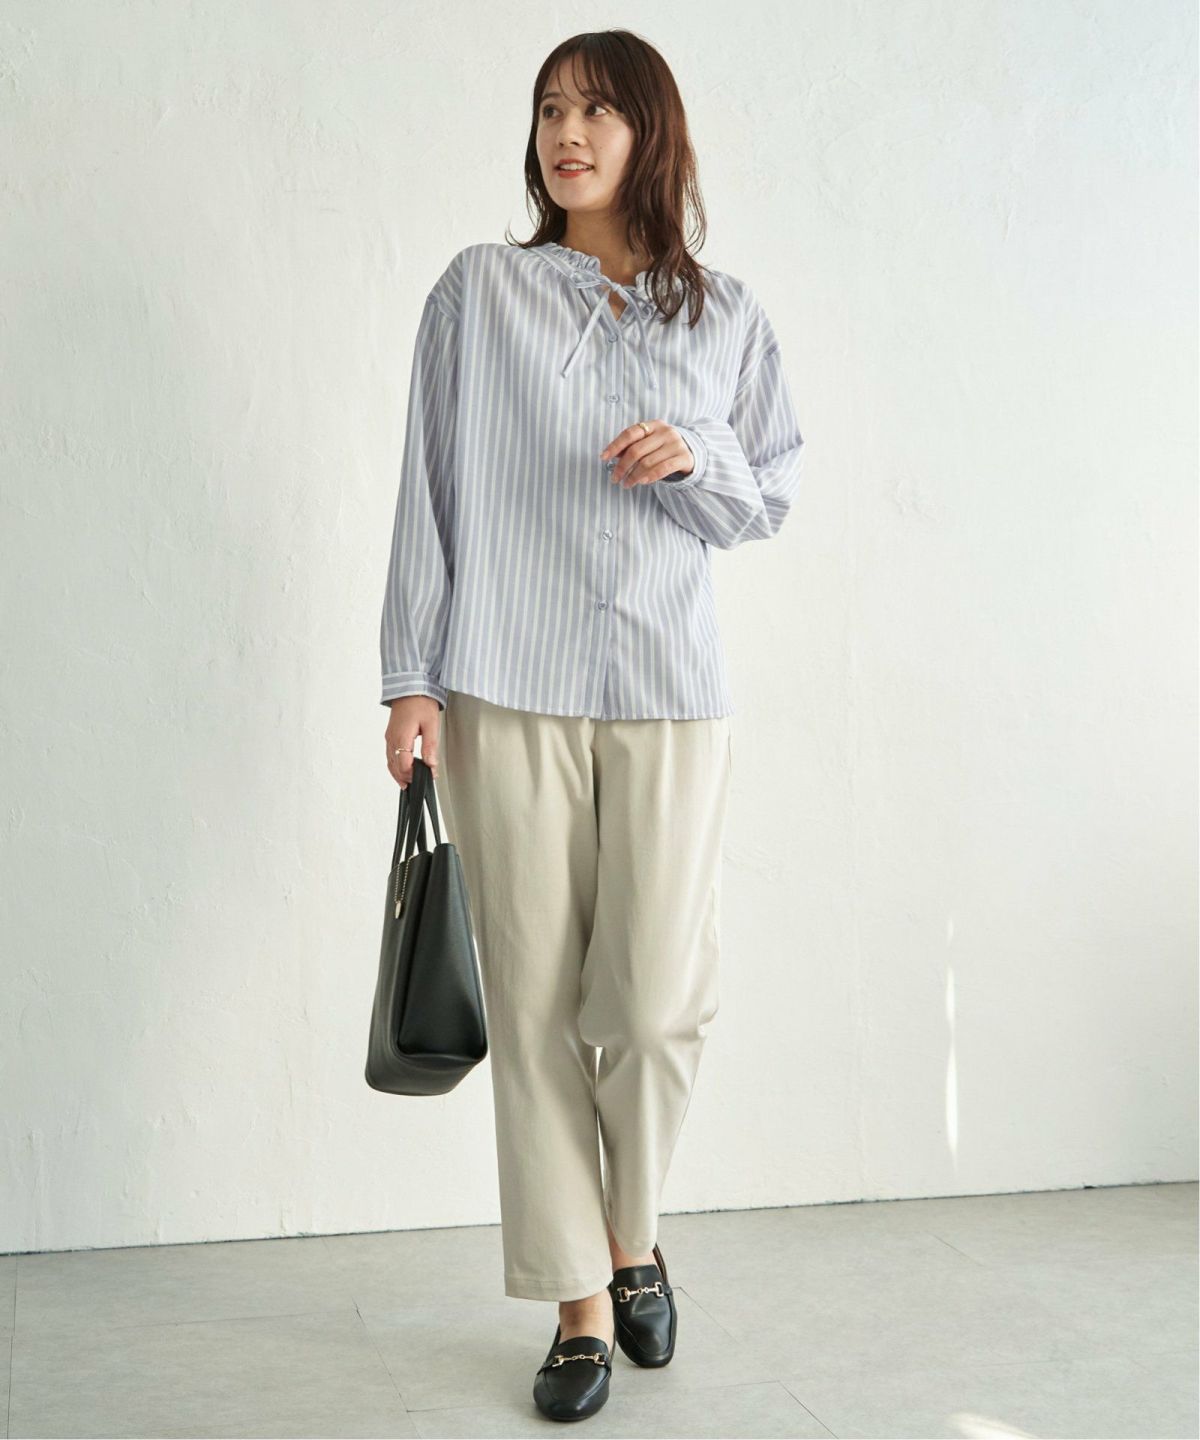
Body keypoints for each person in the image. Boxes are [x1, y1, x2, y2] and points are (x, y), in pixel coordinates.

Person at [378, 28, 806, 1423]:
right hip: (506, 683)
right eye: (551, 109)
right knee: (539, 1004)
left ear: (649, 135)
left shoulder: (726, 315)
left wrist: (697, 453)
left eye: (599, 112)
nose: (568, 133)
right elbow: (429, 490)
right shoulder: (479, 294)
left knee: (656, 1000)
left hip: (670, 688)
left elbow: (767, 494)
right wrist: (411, 678)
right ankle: (580, 1301)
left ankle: (636, 1232)